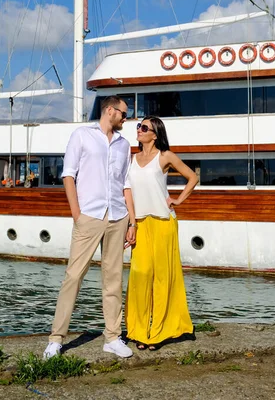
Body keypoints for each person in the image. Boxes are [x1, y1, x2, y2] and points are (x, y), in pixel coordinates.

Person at [43, 96, 136, 360]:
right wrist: (77, 214)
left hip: (118, 216)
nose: (126, 119)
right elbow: (68, 175)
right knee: (74, 276)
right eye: (123, 114)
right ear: (110, 110)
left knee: (113, 279)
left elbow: (125, 184)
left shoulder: (124, 144)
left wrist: (132, 220)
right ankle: (56, 339)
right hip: (89, 215)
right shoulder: (82, 135)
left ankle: (112, 337)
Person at [123, 116, 198, 351]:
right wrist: (131, 224)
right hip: (141, 225)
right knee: (139, 277)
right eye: (138, 126)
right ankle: (138, 331)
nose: (139, 130)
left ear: (155, 134)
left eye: (144, 127)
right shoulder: (131, 159)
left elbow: (193, 177)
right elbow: (127, 193)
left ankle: (158, 333)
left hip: (164, 222)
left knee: (163, 279)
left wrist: (178, 199)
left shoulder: (165, 156)